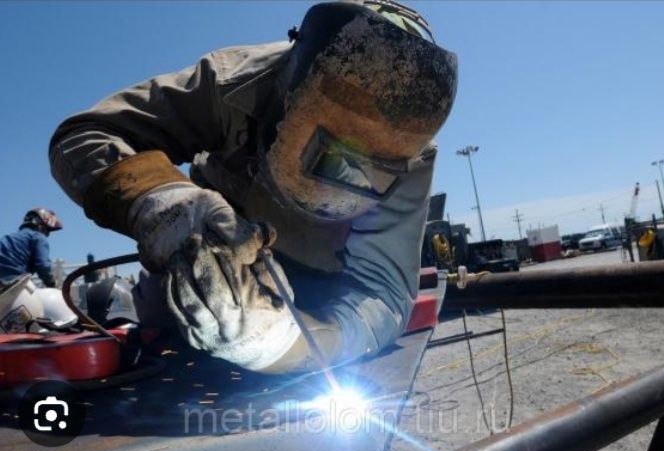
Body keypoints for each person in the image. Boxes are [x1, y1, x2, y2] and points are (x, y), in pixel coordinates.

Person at [49, 0, 457, 373]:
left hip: (320, 298)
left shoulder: (410, 155)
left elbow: (383, 294)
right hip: (197, 262)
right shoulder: (232, 84)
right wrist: (160, 202)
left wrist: (288, 346)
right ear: (289, 96)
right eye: (334, 156)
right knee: (163, 327)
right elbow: (84, 135)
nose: (345, 176)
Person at [0, 208, 63, 292]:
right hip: (12, 285)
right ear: (42, 226)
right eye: (48, 231)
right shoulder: (38, 237)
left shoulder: (7, 238)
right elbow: (43, 265)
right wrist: (52, 284)